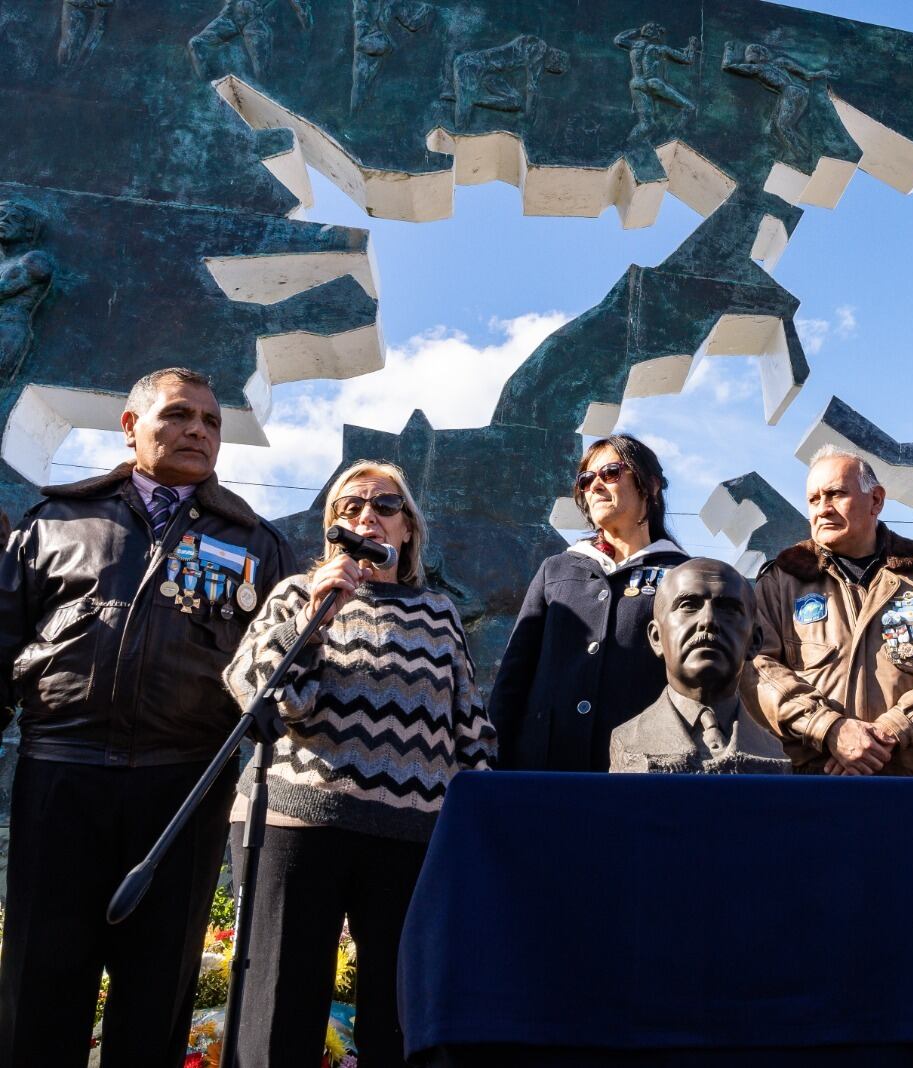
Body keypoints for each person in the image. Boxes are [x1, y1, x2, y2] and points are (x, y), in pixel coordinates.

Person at [0, 367, 292, 1066]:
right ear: (131, 427)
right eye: (180, 415)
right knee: (39, 989)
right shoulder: (54, 522)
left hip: (183, 788)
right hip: (59, 776)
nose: (198, 430)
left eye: (212, 421)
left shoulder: (259, 543)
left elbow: (280, 671)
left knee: (156, 993)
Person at [221, 460, 495, 1066]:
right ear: (332, 529)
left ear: (408, 531)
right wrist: (315, 617)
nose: (366, 513)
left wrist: (476, 826)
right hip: (295, 827)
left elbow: (469, 727)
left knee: (395, 1018)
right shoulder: (297, 594)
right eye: (349, 506)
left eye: (385, 504)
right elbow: (265, 695)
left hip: (409, 839)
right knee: (278, 1011)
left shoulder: (441, 614)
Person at [747, 445, 913, 775]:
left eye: (835, 494)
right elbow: (756, 668)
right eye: (814, 499)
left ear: (876, 500)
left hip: (906, 780)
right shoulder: (781, 580)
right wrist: (830, 730)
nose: (823, 509)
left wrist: (889, 733)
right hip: (812, 779)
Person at [489, 434, 688, 770]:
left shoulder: (682, 574)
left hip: (640, 768)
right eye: (586, 479)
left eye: (610, 472)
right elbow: (514, 674)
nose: (595, 485)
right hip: (543, 765)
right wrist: (493, 759)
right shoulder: (556, 568)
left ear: (650, 485)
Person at [609, 558, 790, 775]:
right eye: (688, 606)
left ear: (755, 641)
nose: (708, 620)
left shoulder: (772, 751)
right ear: (656, 637)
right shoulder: (629, 740)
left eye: (729, 609)